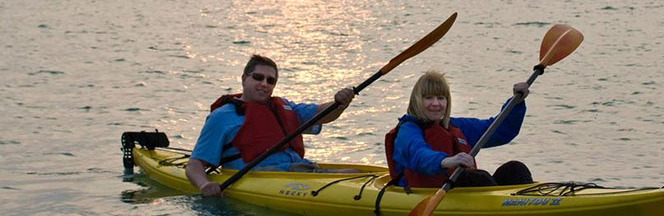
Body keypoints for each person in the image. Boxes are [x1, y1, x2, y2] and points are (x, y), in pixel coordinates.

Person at [186, 54, 355, 197]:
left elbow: (321, 113)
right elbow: (195, 164)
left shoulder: (285, 107)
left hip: (301, 172)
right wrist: (204, 185)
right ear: (244, 79)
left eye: (270, 80)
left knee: (355, 175)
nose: (264, 83)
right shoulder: (221, 117)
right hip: (264, 179)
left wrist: (339, 103)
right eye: (258, 77)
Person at [385, 70, 533, 189]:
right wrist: (446, 161)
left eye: (441, 98)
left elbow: (499, 130)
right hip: (424, 192)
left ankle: (534, 206)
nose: (436, 103)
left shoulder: (455, 127)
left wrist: (516, 103)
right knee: (478, 178)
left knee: (515, 169)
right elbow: (419, 155)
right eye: (428, 98)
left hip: (458, 190)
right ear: (417, 101)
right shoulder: (408, 131)